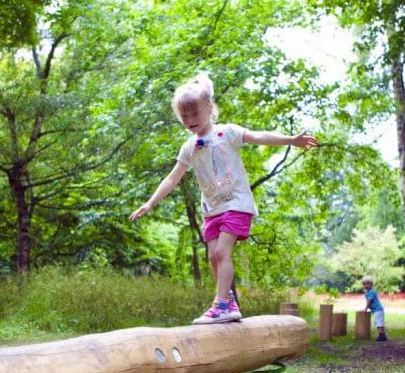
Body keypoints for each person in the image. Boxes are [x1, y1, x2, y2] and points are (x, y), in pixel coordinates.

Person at [129, 73, 318, 324]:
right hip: (212, 210)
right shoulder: (188, 147)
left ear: (208, 108)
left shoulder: (227, 132)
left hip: (236, 203)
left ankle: (220, 305)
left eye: (195, 113)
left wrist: (290, 140)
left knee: (221, 252)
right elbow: (172, 178)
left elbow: (258, 136)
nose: (190, 120)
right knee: (212, 257)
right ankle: (227, 302)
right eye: (184, 116)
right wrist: (150, 203)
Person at [362, 276, 387, 341]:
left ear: (371, 284)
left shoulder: (372, 291)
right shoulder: (368, 292)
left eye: (368, 284)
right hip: (376, 310)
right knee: (378, 322)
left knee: (378, 323)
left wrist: (366, 308)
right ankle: (383, 335)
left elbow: (370, 301)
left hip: (377, 309)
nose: (366, 285)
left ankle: (381, 335)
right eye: (364, 284)